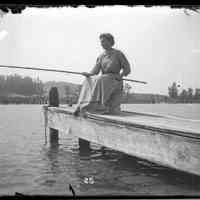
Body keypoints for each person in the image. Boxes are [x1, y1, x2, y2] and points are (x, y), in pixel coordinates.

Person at [73, 33, 131, 115]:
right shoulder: (101, 56)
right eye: (101, 42)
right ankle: (85, 104)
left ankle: (99, 106)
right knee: (88, 79)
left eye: (104, 41)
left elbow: (127, 69)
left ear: (110, 41)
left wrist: (120, 76)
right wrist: (88, 74)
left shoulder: (118, 54)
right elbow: (95, 71)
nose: (102, 44)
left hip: (114, 78)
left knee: (100, 79)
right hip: (104, 78)